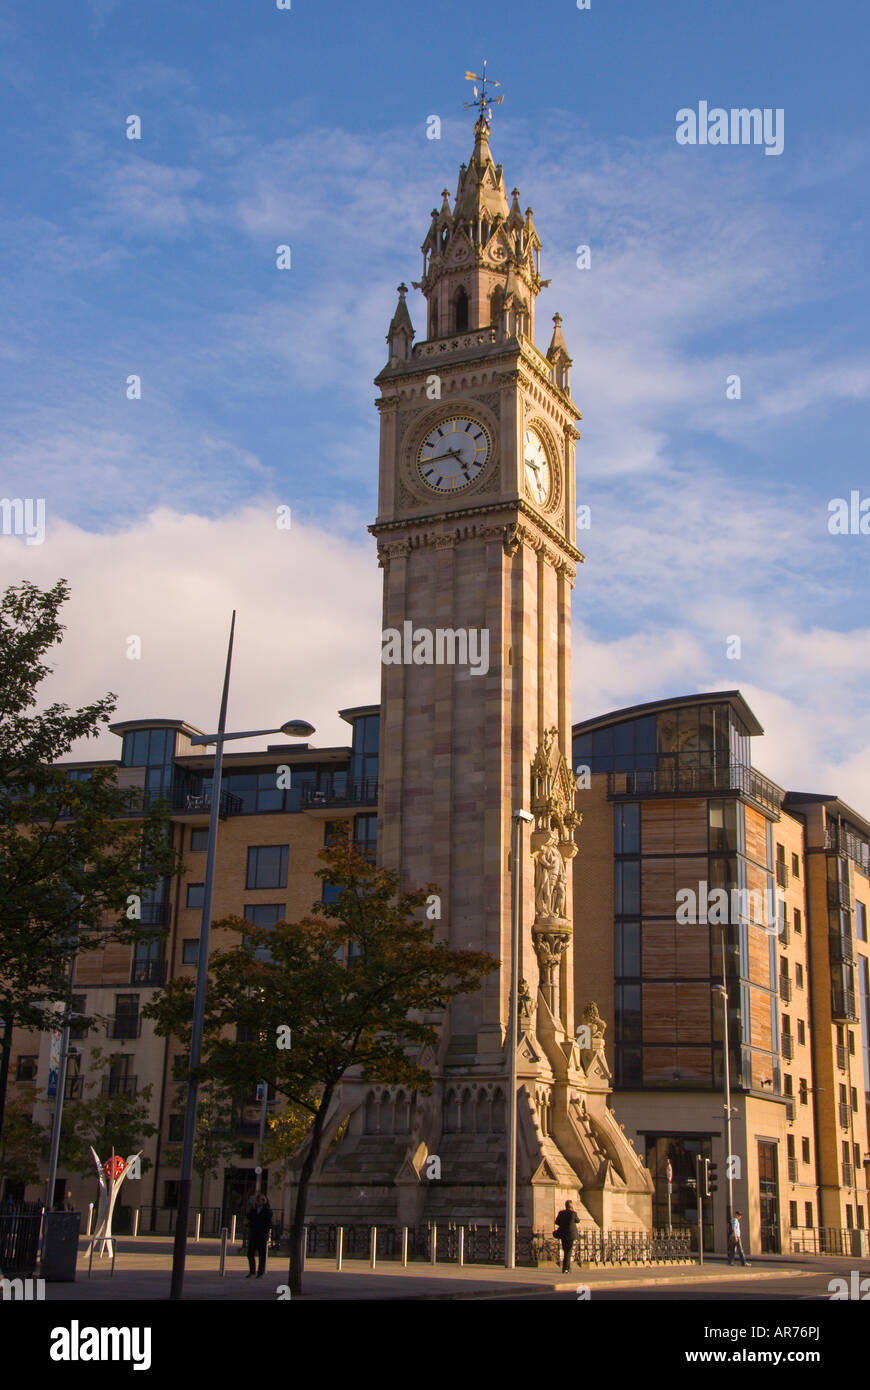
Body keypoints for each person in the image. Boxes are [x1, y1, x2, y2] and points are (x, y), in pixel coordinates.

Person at [245, 1192, 272, 1279]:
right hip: (253, 1233)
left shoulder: (267, 1211)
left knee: (262, 1254)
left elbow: (268, 1222)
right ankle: (252, 1271)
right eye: (256, 1201)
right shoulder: (254, 1210)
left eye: (258, 1201)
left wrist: (265, 1232)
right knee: (250, 1253)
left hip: (261, 1234)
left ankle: (260, 1272)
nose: (257, 1202)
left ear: (263, 1201)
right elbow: (248, 1217)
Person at [553, 1199, 580, 1273]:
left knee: (566, 1250)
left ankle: (567, 1268)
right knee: (568, 1252)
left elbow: (557, 1222)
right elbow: (578, 1220)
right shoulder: (573, 1213)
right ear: (571, 1206)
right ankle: (566, 1268)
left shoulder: (561, 1213)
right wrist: (573, 1211)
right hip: (570, 1235)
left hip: (563, 1234)